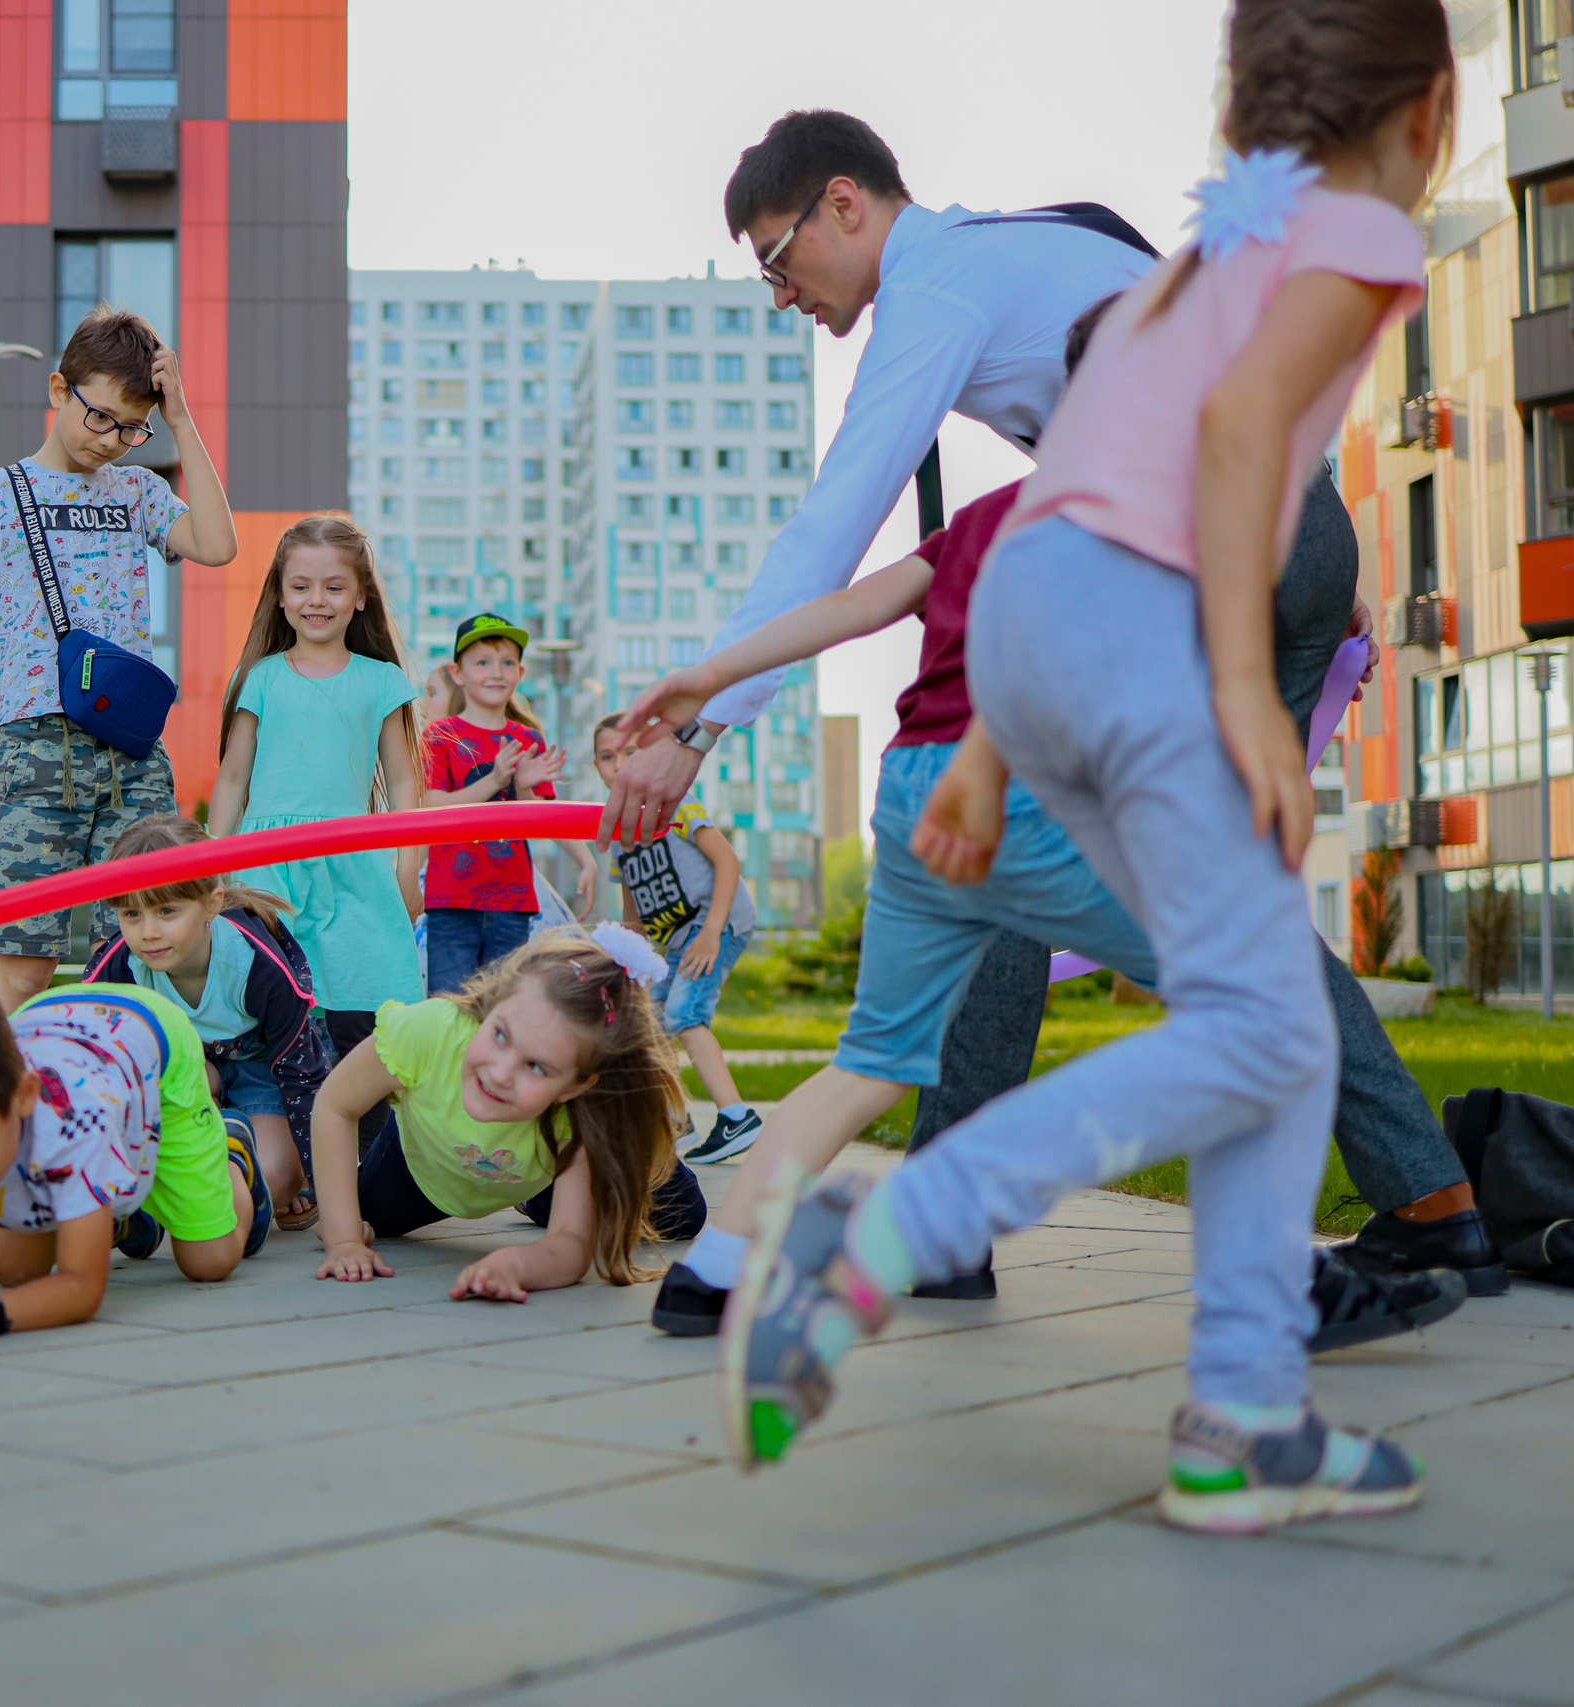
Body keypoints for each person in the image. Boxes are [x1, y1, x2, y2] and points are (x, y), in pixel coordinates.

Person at [725, 0, 1450, 1533]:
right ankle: (887, 1231)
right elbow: (1240, 431)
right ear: (1428, 112)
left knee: (1265, 1022)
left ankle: (1247, 1414)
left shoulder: (1215, 240)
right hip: (1143, 610)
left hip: (1039, 615)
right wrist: (1250, 686)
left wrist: (996, 735)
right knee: (1263, 1022)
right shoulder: (1356, 235)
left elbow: (1079, 482)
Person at [601, 105, 1498, 1306]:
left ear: (843, 204)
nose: (782, 294)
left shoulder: (940, 292)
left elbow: (833, 536)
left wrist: (697, 732)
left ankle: (1414, 1208)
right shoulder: (1040, 243)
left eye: (776, 258)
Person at [0, 308, 239, 1013]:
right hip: (35, 749)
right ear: (58, 390)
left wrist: (182, 420)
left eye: (134, 428)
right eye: (100, 417)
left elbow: (219, 545)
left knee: (139, 956)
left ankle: (124, 1110)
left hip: (132, 754)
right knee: (21, 960)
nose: (113, 441)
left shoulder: (138, 492)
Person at [0, 979, 272, 1348]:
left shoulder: (70, 1126)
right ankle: (108, 1201)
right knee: (13, 1271)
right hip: (56, 1027)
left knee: (210, 1261)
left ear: (22, 1097)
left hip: (150, 1031)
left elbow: (82, 1288)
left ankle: (231, 1149)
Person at [309, 926, 709, 1300]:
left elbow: (571, 1245)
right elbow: (335, 1105)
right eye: (500, 1035)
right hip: (426, 1161)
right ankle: (537, 1192)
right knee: (357, 1212)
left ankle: (542, 1190)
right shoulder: (429, 1031)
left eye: (536, 1067)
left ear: (573, 1087)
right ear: (494, 1005)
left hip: (542, 1159)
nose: (500, 1074)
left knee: (683, 1214)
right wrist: (343, 1239)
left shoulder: (581, 1113)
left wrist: (519, 1263)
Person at [207, 515, 426, 1066]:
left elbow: (403, 780)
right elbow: (233, 777)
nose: (316, 600)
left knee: (365, 1001)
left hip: (351, 863)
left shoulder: (381, 681)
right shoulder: (261, 677)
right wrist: (215, 861)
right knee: (273, 1008)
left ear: (360, 597)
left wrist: (407, 870)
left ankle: (366, 1133)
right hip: (266, 866)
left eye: (334, 587)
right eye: (300, 587)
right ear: (280, 598)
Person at [85, 814, 334, 1231]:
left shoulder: (256, 966)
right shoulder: (118, 967)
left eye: (167, 910)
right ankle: (168, 1179)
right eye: (130, 914)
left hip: (262, 1071)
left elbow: (304, 1077)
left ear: (212, 904)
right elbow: (90, 1064)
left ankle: (236, 1156)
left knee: (274, 1179)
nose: (148, 932)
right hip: (185, 1073)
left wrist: (322, 1187)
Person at [589, 714, 762, 1165]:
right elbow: (633, 918)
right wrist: (628, 971)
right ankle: (677, 1126)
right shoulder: (620, 837)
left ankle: (736, 1117)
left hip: (718, 925)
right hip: (680, 941)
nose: (620, 765)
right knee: (649, 1026)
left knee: (685, 1013)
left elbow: (727, 863)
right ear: (597, 768)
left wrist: (709, 933)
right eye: (609, 757)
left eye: (630, 753)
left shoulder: (677, 804)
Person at [421, 614, 597, 993]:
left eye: (506, 663)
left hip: (513, 901)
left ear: (519, 672)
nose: (495, 672)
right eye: (482, 662)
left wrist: (585, 859)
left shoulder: (527, 737)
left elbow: (543, 817)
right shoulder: (441, 736)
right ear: (458, 672)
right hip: (452, 900)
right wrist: (495, 781)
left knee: (502, 1007)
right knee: (447, 1006)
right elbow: (433, 807)